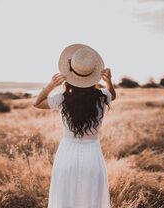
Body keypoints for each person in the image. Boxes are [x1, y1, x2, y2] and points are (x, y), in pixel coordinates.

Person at [33, 44, 116, 208]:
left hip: (67, 154)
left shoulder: (62, 98)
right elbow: (113, 94)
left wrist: (51, 85)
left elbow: (37, 103)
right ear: (92, 75)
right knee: (90, 200)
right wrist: (109, 81)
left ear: (71, 74)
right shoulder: (102, 97)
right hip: (93, 155)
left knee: (66, 199)